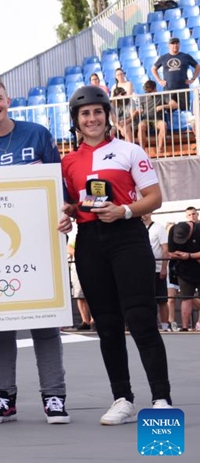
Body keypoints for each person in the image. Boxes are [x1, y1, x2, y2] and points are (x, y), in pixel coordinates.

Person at [0, 78, 70, 425]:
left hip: (40, 241)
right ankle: (3, 398)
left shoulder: (36, 134)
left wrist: (65, 214)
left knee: (45, 320)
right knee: (0, 323)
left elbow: (59, 186)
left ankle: (54, 396)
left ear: (7, 100)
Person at [60, 85, 172, 425]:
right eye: (84, 114)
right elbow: (70, 202)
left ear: (107, 115)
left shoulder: (129, 150)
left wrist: (124, 211)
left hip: (127, 235)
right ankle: (122, 398)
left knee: (140, 318)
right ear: (76, 121)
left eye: (97, 111)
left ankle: (161, 397)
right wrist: (65, 213)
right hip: (89, 241)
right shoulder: (67, 162)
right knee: (106, 324)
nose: (91, 118)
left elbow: (154, 198)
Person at [168, 220, 200, 331]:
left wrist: (190, 255)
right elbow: (170, 251)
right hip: (184, 270)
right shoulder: (173, 230)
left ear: (190, 232)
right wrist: (178, 254)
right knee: (185, 298)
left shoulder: (198, 229)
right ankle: (185, 327)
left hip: (193, 264)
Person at [152, 37, 200, 111]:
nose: (175, 45)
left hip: (183, 88)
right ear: (169, 45)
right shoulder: (163, 57)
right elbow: (153, 68)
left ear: (179, 44)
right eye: (173, 43)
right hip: (168, 89)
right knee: (170, 110)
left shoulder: (185, 56)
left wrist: (193, 79)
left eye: (176, 43)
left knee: (184, 110)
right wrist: (159, 80)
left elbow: (197, 66)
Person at [142, 213, 169, 331]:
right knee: (146, 299)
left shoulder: (159, 228)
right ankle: (150, 325)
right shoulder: (137, 228)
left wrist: (164, 268)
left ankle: (165, 325)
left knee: (162, 299)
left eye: (145, 211)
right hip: (142, 269)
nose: (143, 214)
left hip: (157, 269)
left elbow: (165, 249)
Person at [135, 80, 176, 153]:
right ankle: (142, 150)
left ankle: (159, 148)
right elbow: (139, 109)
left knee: (164, 125)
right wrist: (139, 111)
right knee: (141, 126)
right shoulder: (142, 98)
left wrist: (163, 106)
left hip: (157, 120)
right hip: (146, 119)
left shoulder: (162, 96)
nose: (148, 93)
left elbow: (175, 105)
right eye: (147, 92)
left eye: (150, 91)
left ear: (155, 89)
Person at [66, 237, 93, 330]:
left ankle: (94, 321)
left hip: (93, 263)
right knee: (79, 295)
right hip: (77, 266)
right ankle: (85, 321)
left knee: (94, 293)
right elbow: (68, 247)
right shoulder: (72, 232)